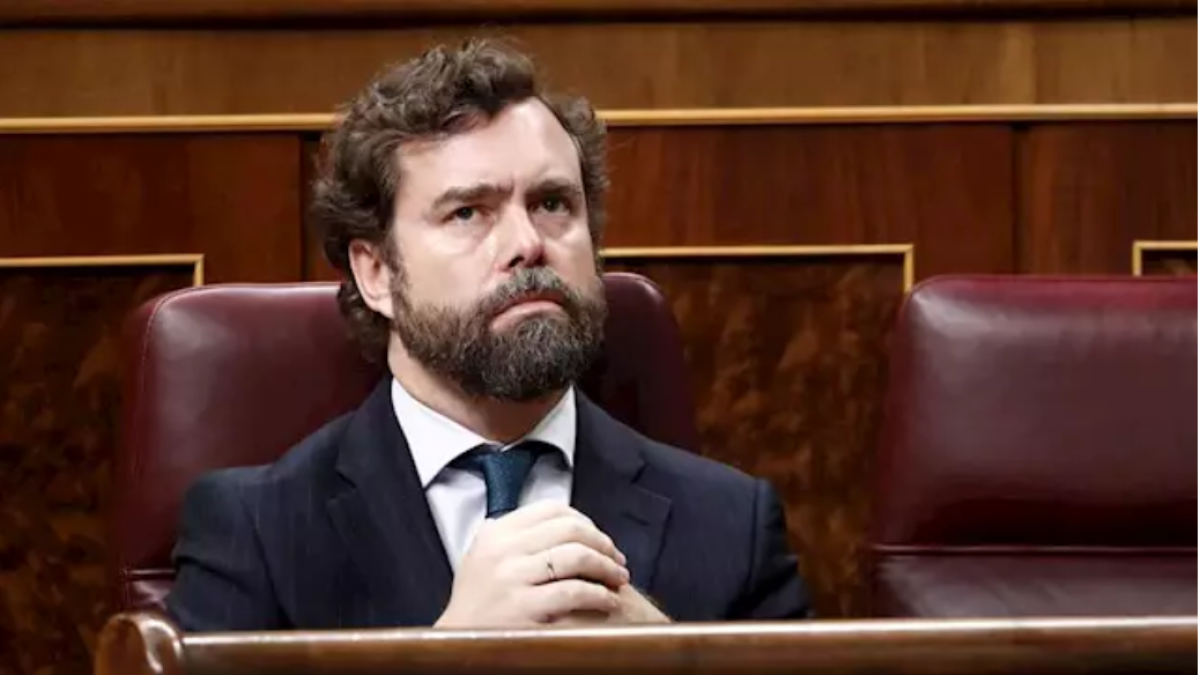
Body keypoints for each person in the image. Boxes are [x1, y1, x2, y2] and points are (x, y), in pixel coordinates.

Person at [165, 38, 811, 631]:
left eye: (553, 203)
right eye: (469, 211)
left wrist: (668, 662)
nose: (527, 244)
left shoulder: (734, 527)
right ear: (377, 271)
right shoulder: (256, 534)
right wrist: (448, 658)